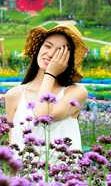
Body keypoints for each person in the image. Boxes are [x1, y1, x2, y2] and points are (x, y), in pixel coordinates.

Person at [5, 21, 88, 157]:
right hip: (25, 176)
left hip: (62, 175)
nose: (50, 54)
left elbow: (44, 116)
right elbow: (12, 146)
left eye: (60, 52)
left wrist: (50, 74)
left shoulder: (75, 92)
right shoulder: (14, 95)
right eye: (47, 46)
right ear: (39, 48)